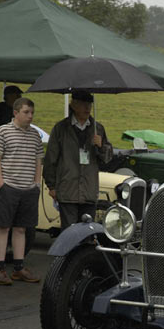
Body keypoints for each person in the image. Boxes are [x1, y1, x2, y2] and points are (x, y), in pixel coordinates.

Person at [0, 97, 43, 285]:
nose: (30, 116)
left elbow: (38, 160)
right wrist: (0, 182)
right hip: (9, 186)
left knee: (21, 228)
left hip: (28, 188)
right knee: (3, 227)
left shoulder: (35, 135)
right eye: (26, 112)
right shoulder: (3, 131)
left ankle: (19, 268)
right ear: (15, 112)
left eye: (32, 113)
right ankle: (0, 269)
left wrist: (36, 183)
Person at [43, 90, 113, 231]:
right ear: (73, 105)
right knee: (69, 232)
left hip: (89, 191)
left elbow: (107, 159)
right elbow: (51, 158)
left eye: (89, 104)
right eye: (83, 104)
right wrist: (51, 186)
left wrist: (101, 146)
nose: (87, 108)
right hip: (67, 189)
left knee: (87, 232)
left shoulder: (97, 128)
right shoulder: (61, 128)